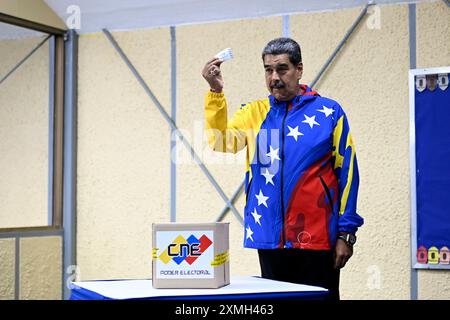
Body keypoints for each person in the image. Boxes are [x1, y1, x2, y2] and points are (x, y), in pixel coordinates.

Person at [202, 37, 363, 300]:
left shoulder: (329, 112)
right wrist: (216, 93)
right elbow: (221, 142)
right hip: (269, 237)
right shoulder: (254, 112)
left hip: (318, 238)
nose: (274, 77)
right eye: (268, 70)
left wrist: (346, 233)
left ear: (299, 70)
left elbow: (348, 175)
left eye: (282, 69)